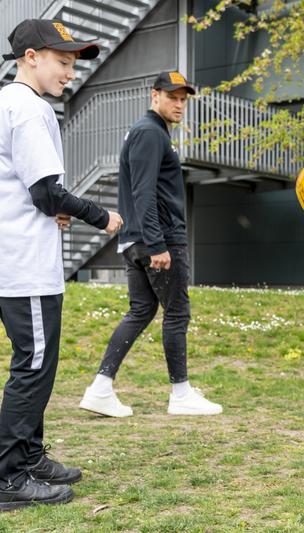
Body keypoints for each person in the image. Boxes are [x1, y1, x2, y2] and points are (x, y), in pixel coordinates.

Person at [0, 19, 123, 510]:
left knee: (37, 363)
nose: (70, 73)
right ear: (31, 56)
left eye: (74, 64)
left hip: (20, 255)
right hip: (23, 263)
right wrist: (101, 215)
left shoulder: (9, 103)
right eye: (63, 62)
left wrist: (57, 208)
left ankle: (28, 456)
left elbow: (28, 191)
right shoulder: (26, 108)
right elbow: (45, 190)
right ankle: (10, 477)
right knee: (32, 366)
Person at [79, 71, 222, 417]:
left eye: (183, 99)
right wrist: (159, 244)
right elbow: (144, 192)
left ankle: (100, 388)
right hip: (155, 240)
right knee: (177, 313)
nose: (179, 104)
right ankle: (181, 393)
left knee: (142, 310)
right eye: (172, 97)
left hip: (138, 238)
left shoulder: (151, 132)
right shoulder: (149, 133)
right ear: (154, 95)